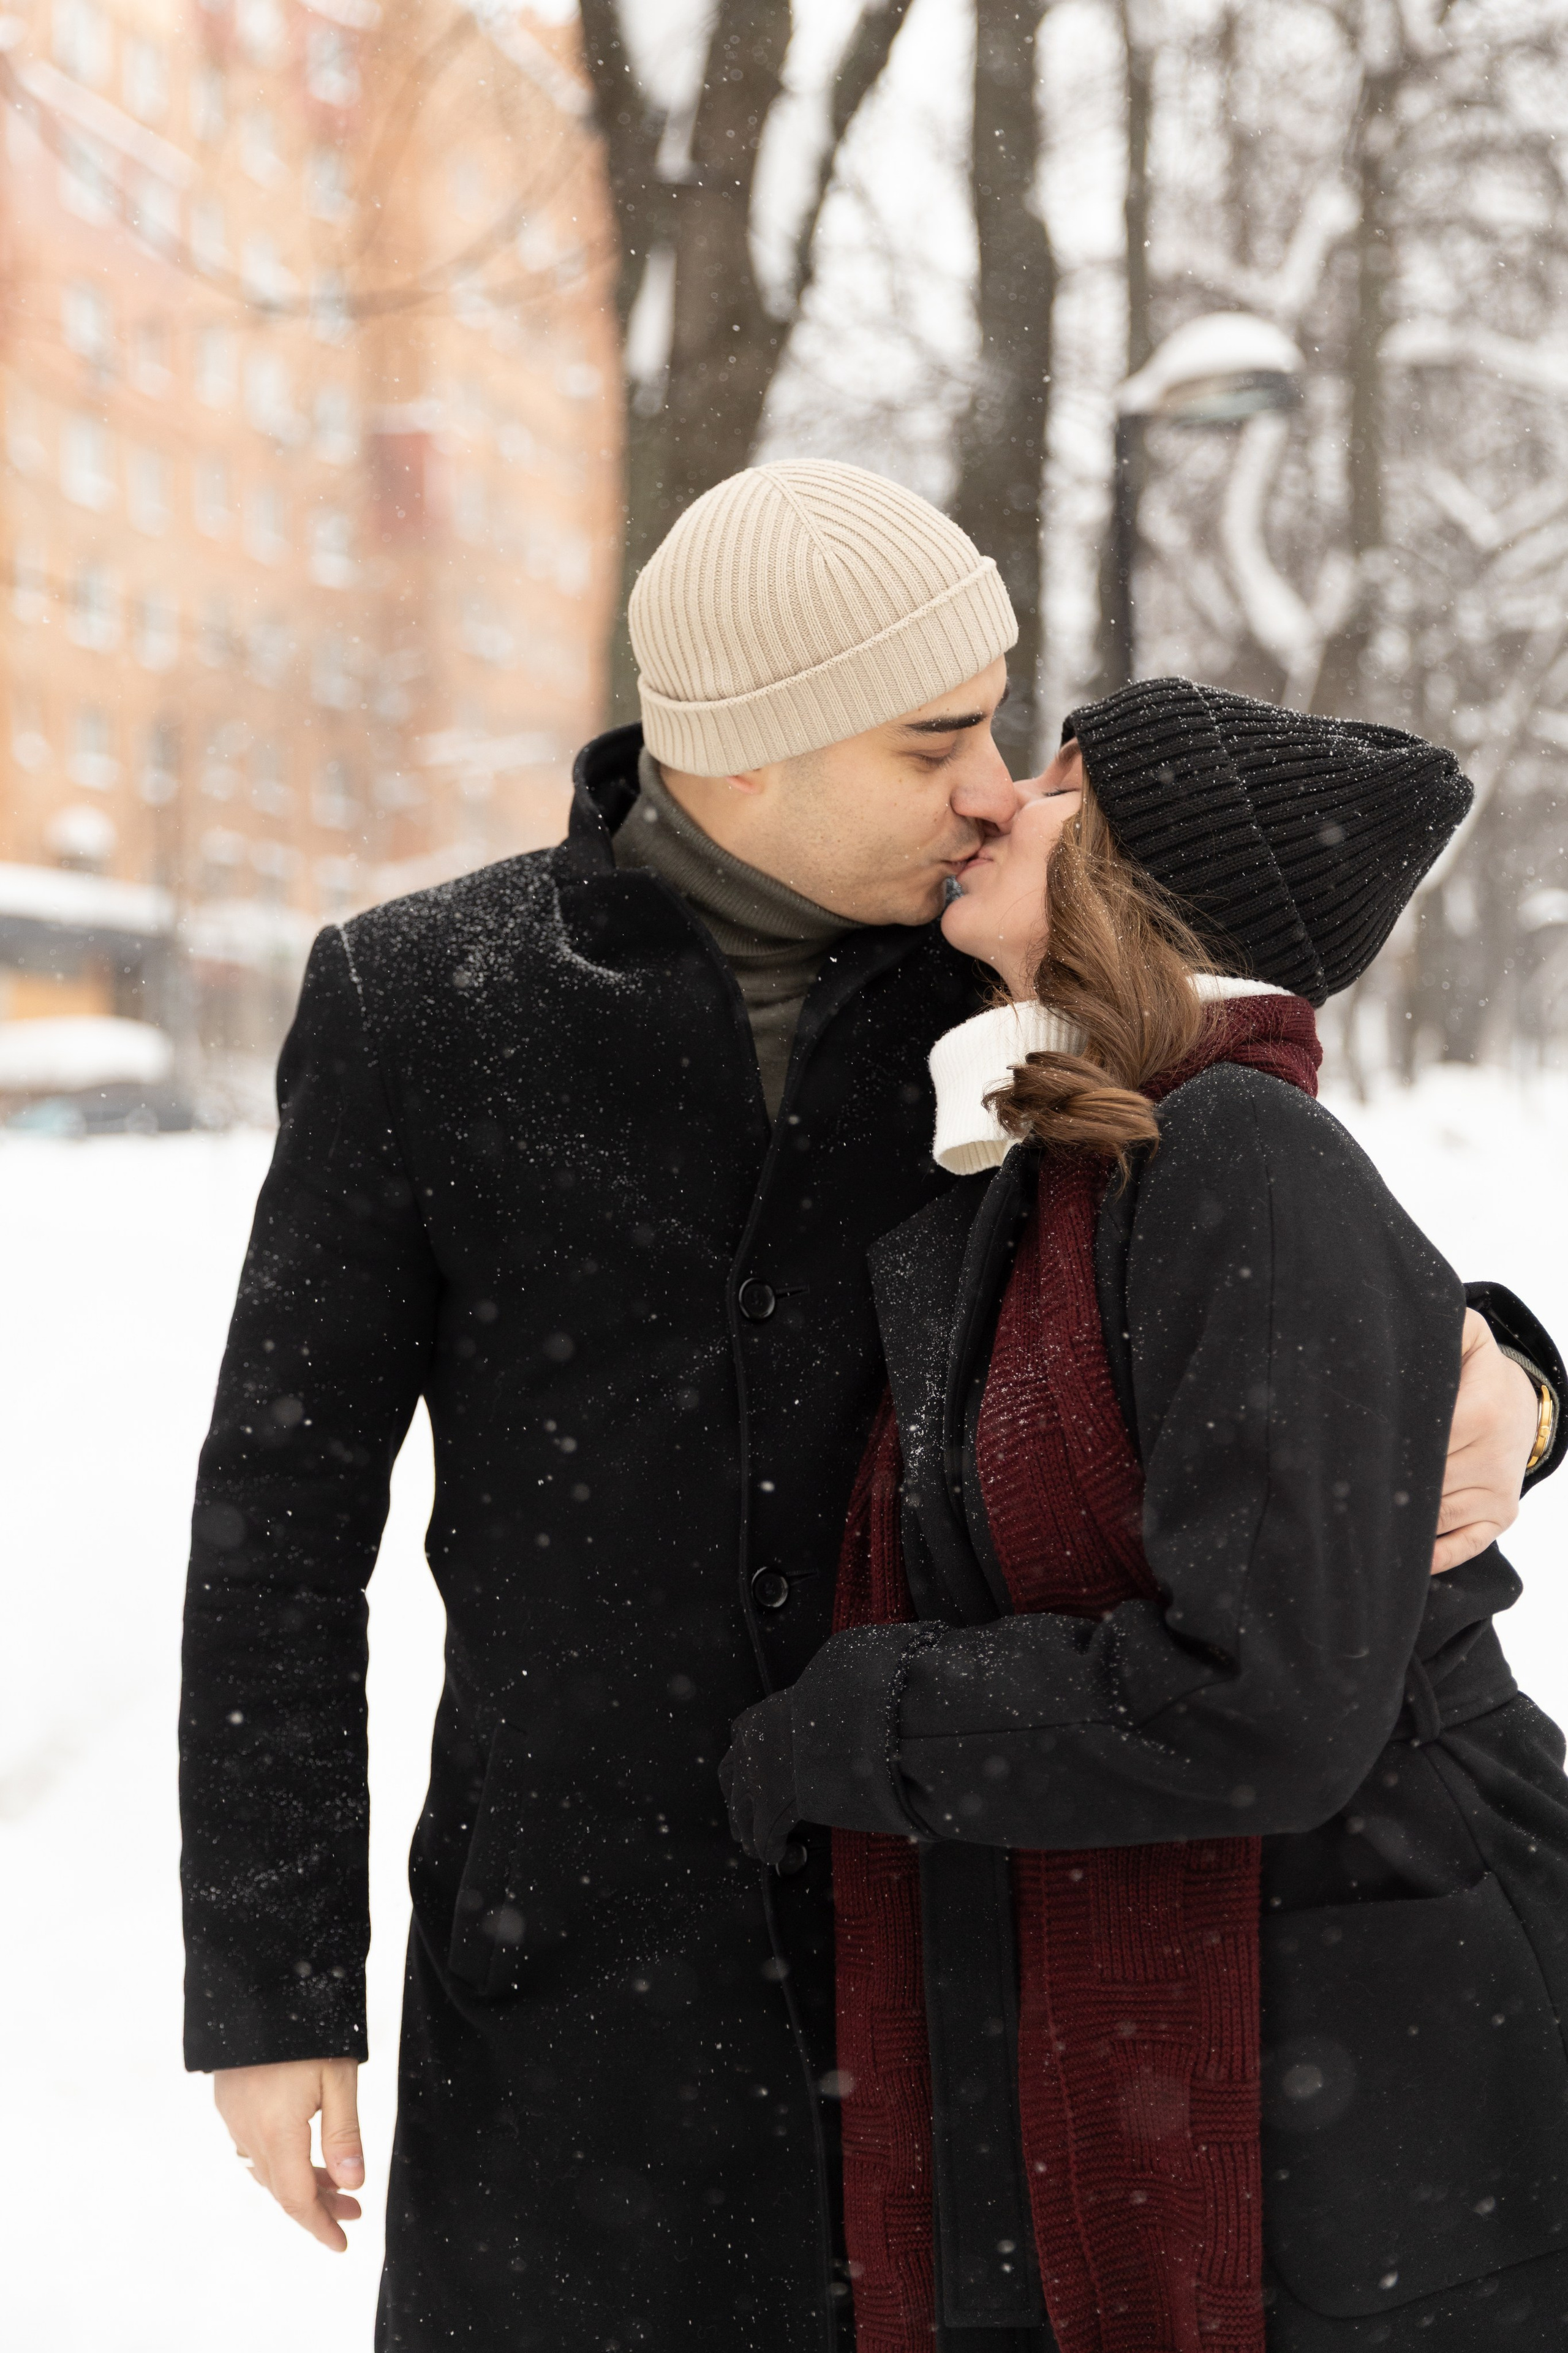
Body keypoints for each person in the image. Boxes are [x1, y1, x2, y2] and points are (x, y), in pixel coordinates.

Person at [181, 467, 1551, 2353]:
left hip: (946, 1934)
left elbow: (1268, 1245)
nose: (994, 783)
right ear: (747, 753)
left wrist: (1513, 1375)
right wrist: (276, 1981)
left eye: (997, 726)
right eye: (937, 739)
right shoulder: (425, 1004)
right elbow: (282, 1501)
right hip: (575, 1962)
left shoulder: (999, 975)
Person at [721, 677, 1568, 2353]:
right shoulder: (1080, 1158)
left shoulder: (1236, 1150)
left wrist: (858, 1720)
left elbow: (1261, 1694)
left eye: (1053, 782)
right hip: (1277, 2018)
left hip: (1383, 2041)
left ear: (1135, 867)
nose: (998, 802)